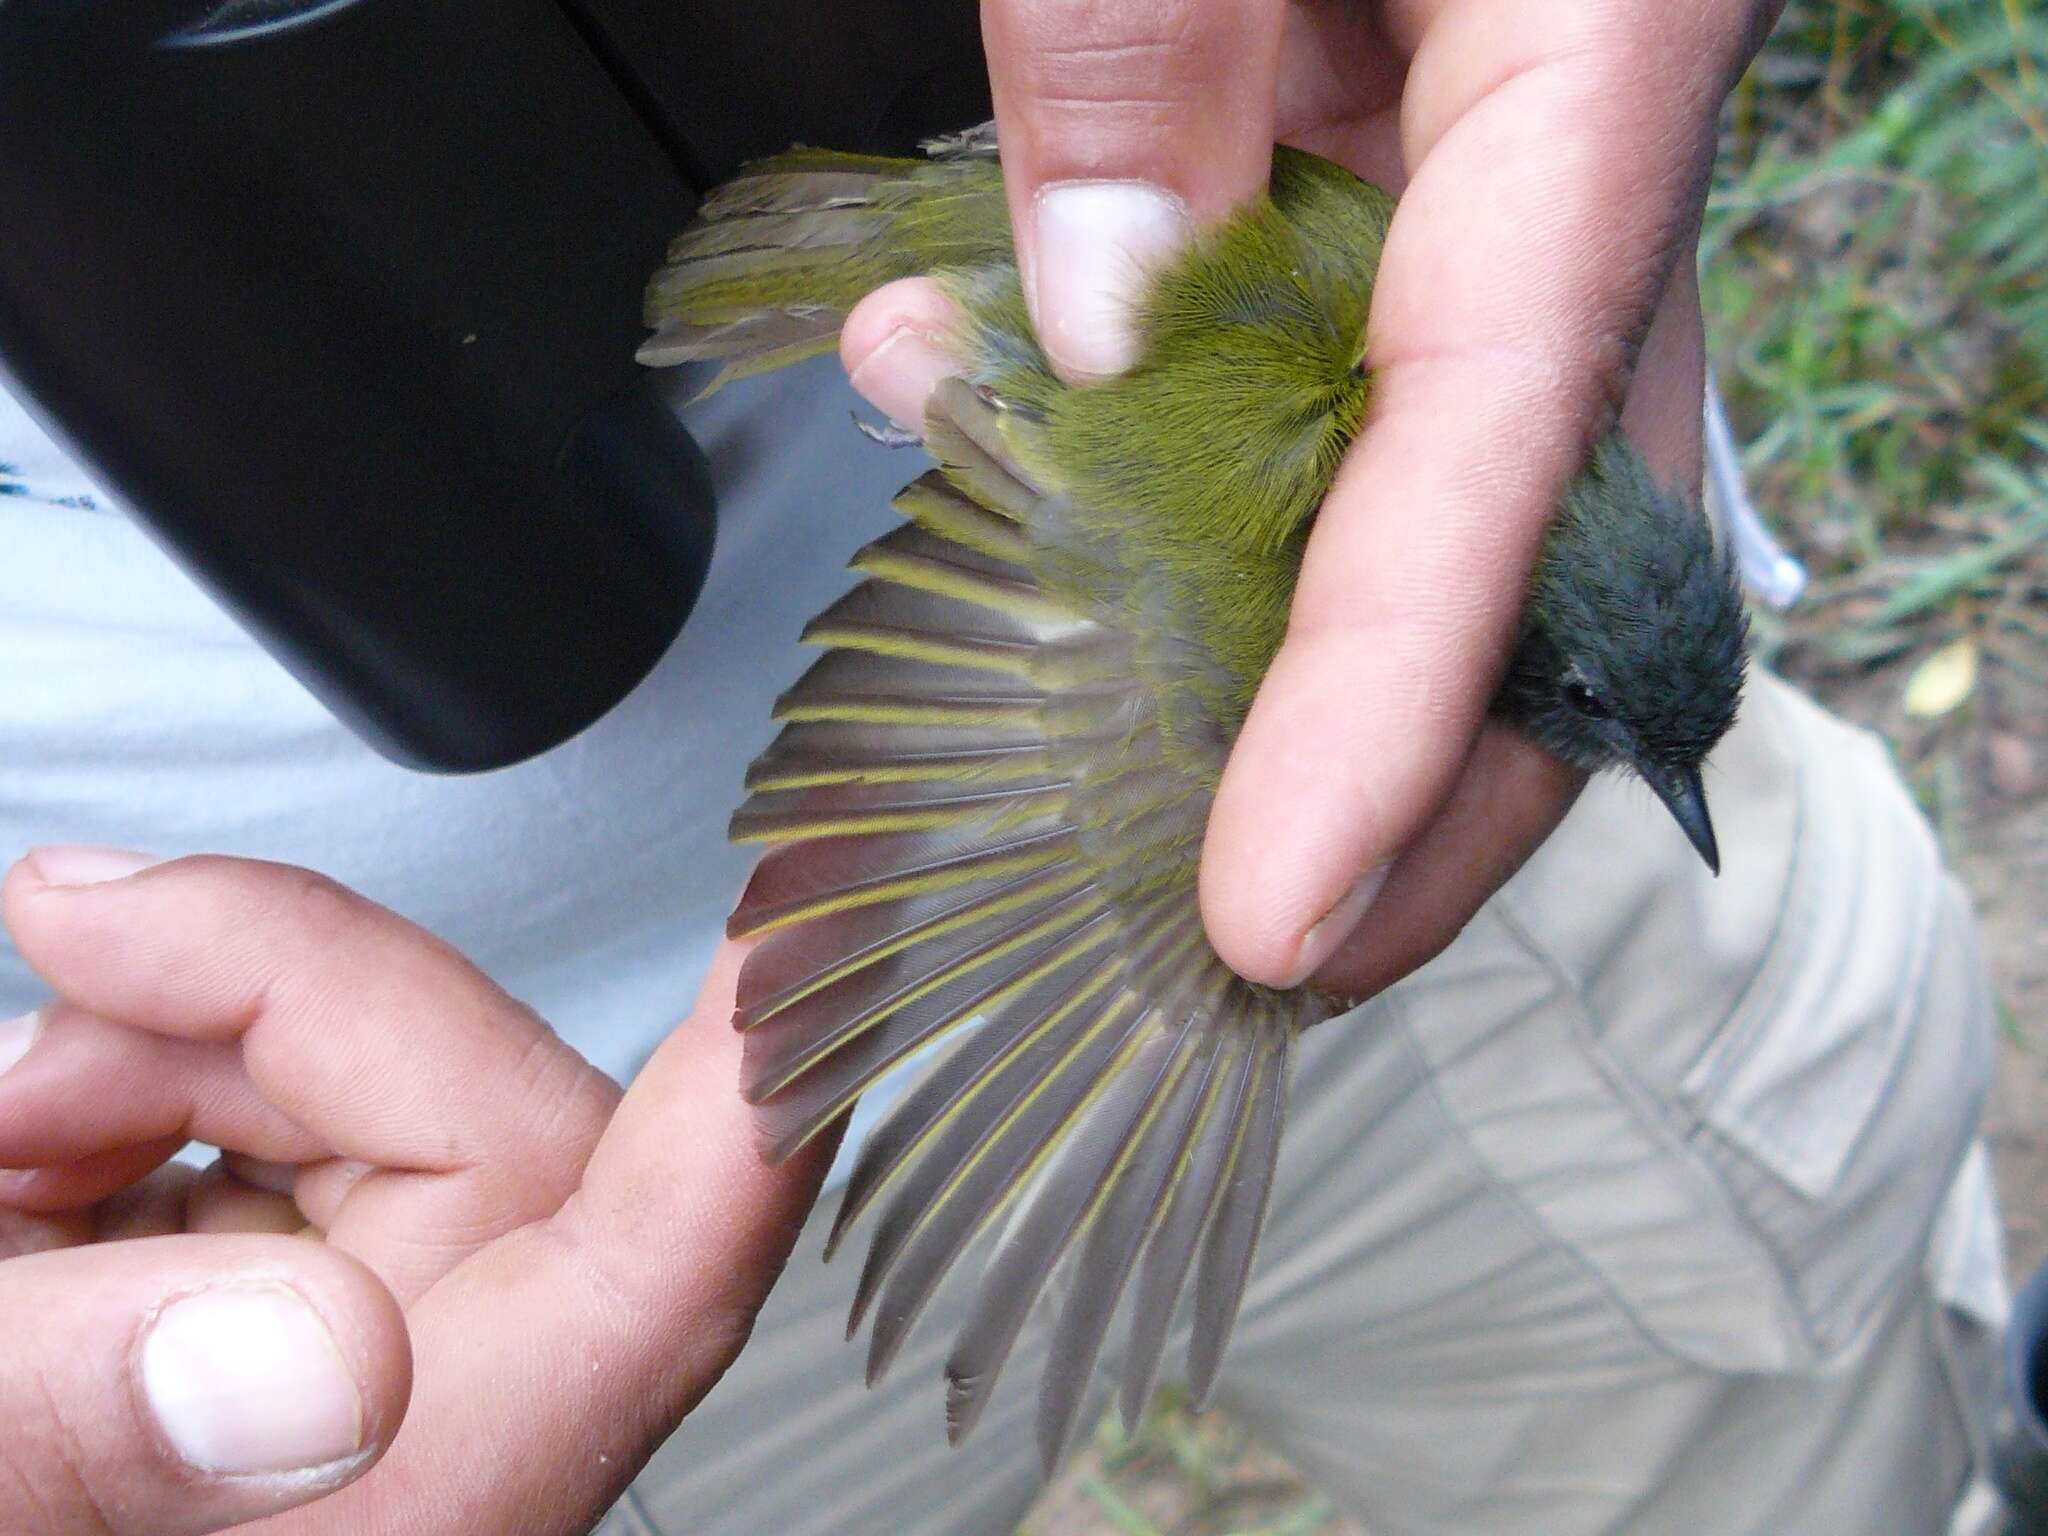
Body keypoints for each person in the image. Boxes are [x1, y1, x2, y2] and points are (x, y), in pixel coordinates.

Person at [0, 2, 2010, 1532]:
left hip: (916, 293)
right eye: (1587, 701)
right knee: (1234, 905)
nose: (1599, 741)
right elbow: (1134, 879)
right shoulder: (1266, 573)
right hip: (303, 1185)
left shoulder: (1434, 475)